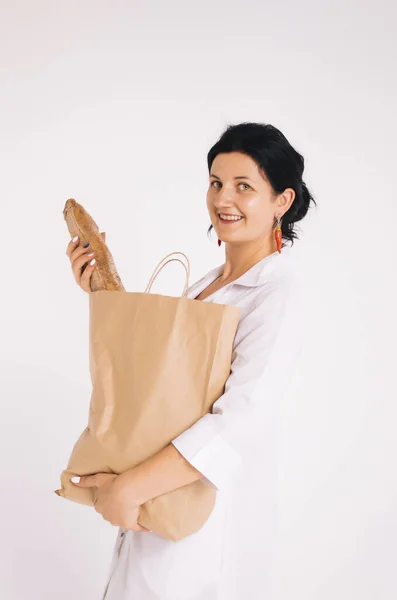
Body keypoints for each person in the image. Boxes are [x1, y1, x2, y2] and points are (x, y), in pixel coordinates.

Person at [65, 122, 316, 599]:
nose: (224, 199)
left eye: (245, 186)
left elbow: (242, 418)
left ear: (282, 201)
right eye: (217, 182)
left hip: (203, 522)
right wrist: (98, 293)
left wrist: (131, 488)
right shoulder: (208, 283)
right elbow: (162, 386)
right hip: (158, 509)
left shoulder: (278, 291)